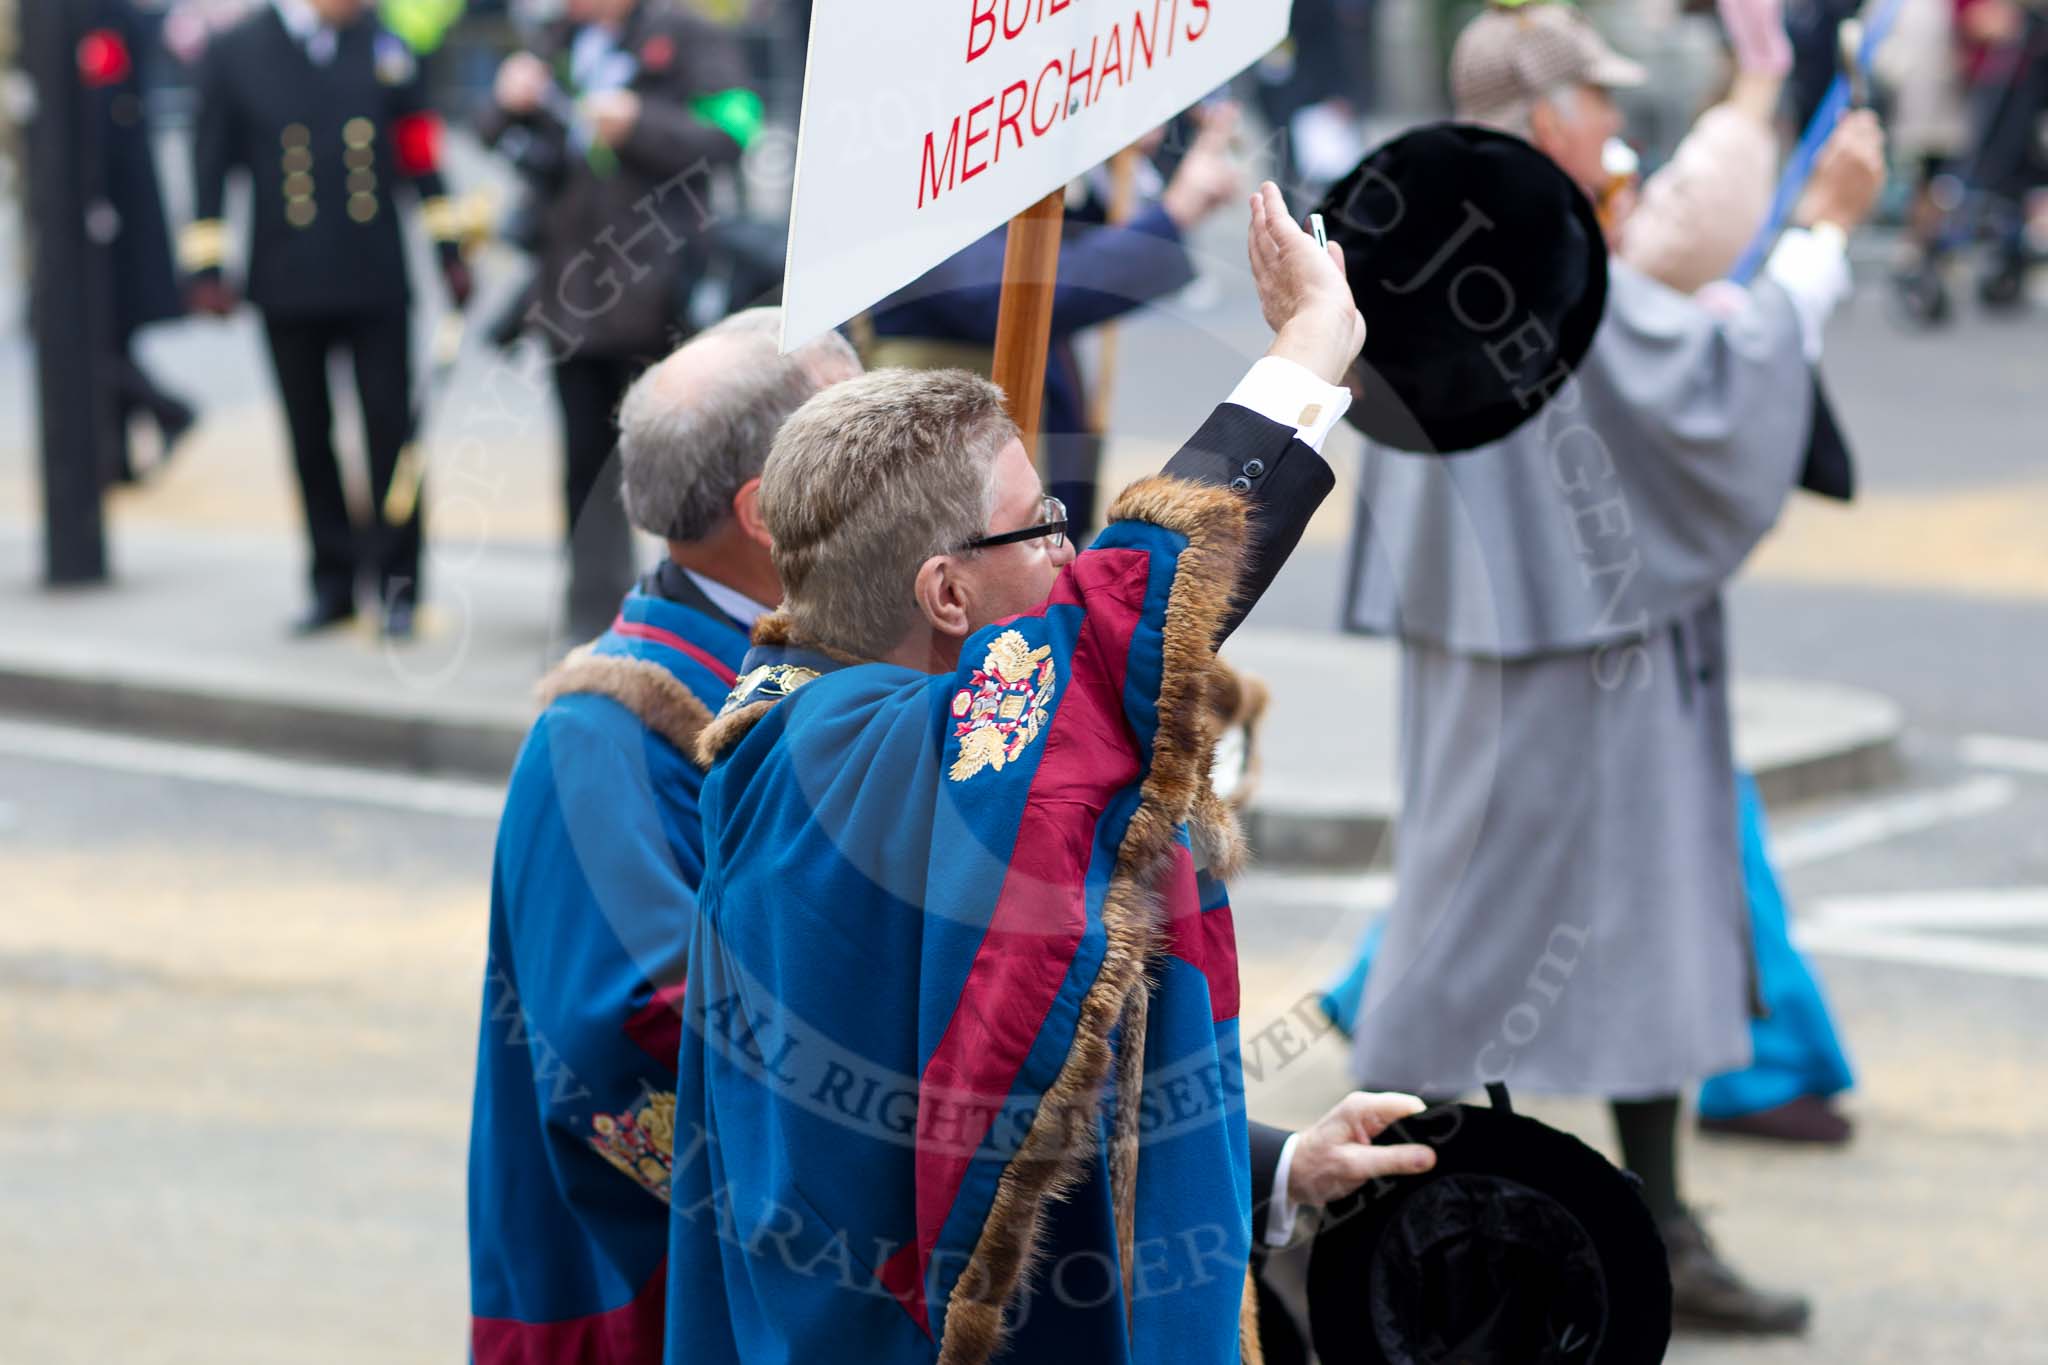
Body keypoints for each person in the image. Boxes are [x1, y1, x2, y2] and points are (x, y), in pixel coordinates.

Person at [664, 184, 1441, 1364]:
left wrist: (1275, 1166)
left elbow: (1039, 1067)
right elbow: (1120, 612)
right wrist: (1305, 353)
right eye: (1038, 526)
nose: (1068, 552)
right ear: (944, 594)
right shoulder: (858, 756)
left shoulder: (836, 725)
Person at [1336, 0, 1888, 1335]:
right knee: (1491, 945)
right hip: (1568, 656)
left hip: (1525, 636)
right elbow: (1710, 376)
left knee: (1597, 932)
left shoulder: (1436, 230)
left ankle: (1581, 1222)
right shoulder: (1531, 247)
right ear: (1541, 123)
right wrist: (1821, 230)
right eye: (1597, 102)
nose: (1616, 127)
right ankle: (1390, 1219)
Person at [467, 310, 862, 1361]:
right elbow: (630, 1044)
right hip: (649, 1309)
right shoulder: (601, 734)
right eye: (858, 439)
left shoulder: (825, 659)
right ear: (769, 511)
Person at [182, 0, 470, 639]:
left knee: (392, 435)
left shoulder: (383, 43)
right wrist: (205, 266)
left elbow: (419, 147)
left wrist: (448, 248)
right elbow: (208, 163)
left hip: (375, 277)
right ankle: (332, 582)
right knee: (309, 438)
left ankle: (399, 586)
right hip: (285, 280)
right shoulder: (237, 51)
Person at [479, 0, 762, 642]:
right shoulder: (555, 41)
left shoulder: (684, 33)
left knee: (691, 470)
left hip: (665, 299)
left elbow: (737, 130)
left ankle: (698, 618)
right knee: (585, 465)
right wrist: (506, 104)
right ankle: (596, 616)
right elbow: (500, 139)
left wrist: (639, 124)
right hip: (571, 301)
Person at [866, 105, 1245, 539]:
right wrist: (1176, 212)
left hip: (1013, 473)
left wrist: (1113, 162)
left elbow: (1061, 240)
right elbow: (1018, 288)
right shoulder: (917, 177)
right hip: (954, 506)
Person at [83, 0, 198, 484]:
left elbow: (105, 108)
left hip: (110, 204)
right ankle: (117, 458)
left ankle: (169, 410)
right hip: (110, 202)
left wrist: (93, 196)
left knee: (92, 334)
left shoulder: (99, 15)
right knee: (108, 330)